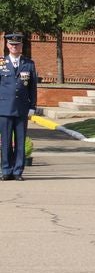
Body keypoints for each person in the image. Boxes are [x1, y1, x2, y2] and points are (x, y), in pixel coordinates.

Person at [1, 33, 37, 181]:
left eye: (17, 45)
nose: (14, 47)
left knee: (20, 142)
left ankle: (18, 171)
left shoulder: (29, 64)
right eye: (12, 44)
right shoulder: (1, 63)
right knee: (6, 142)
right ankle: (6, 170)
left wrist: (32, 106)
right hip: (4, 108)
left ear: (21, 46)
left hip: (22, 108)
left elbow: (33, 87)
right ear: (8, 46)